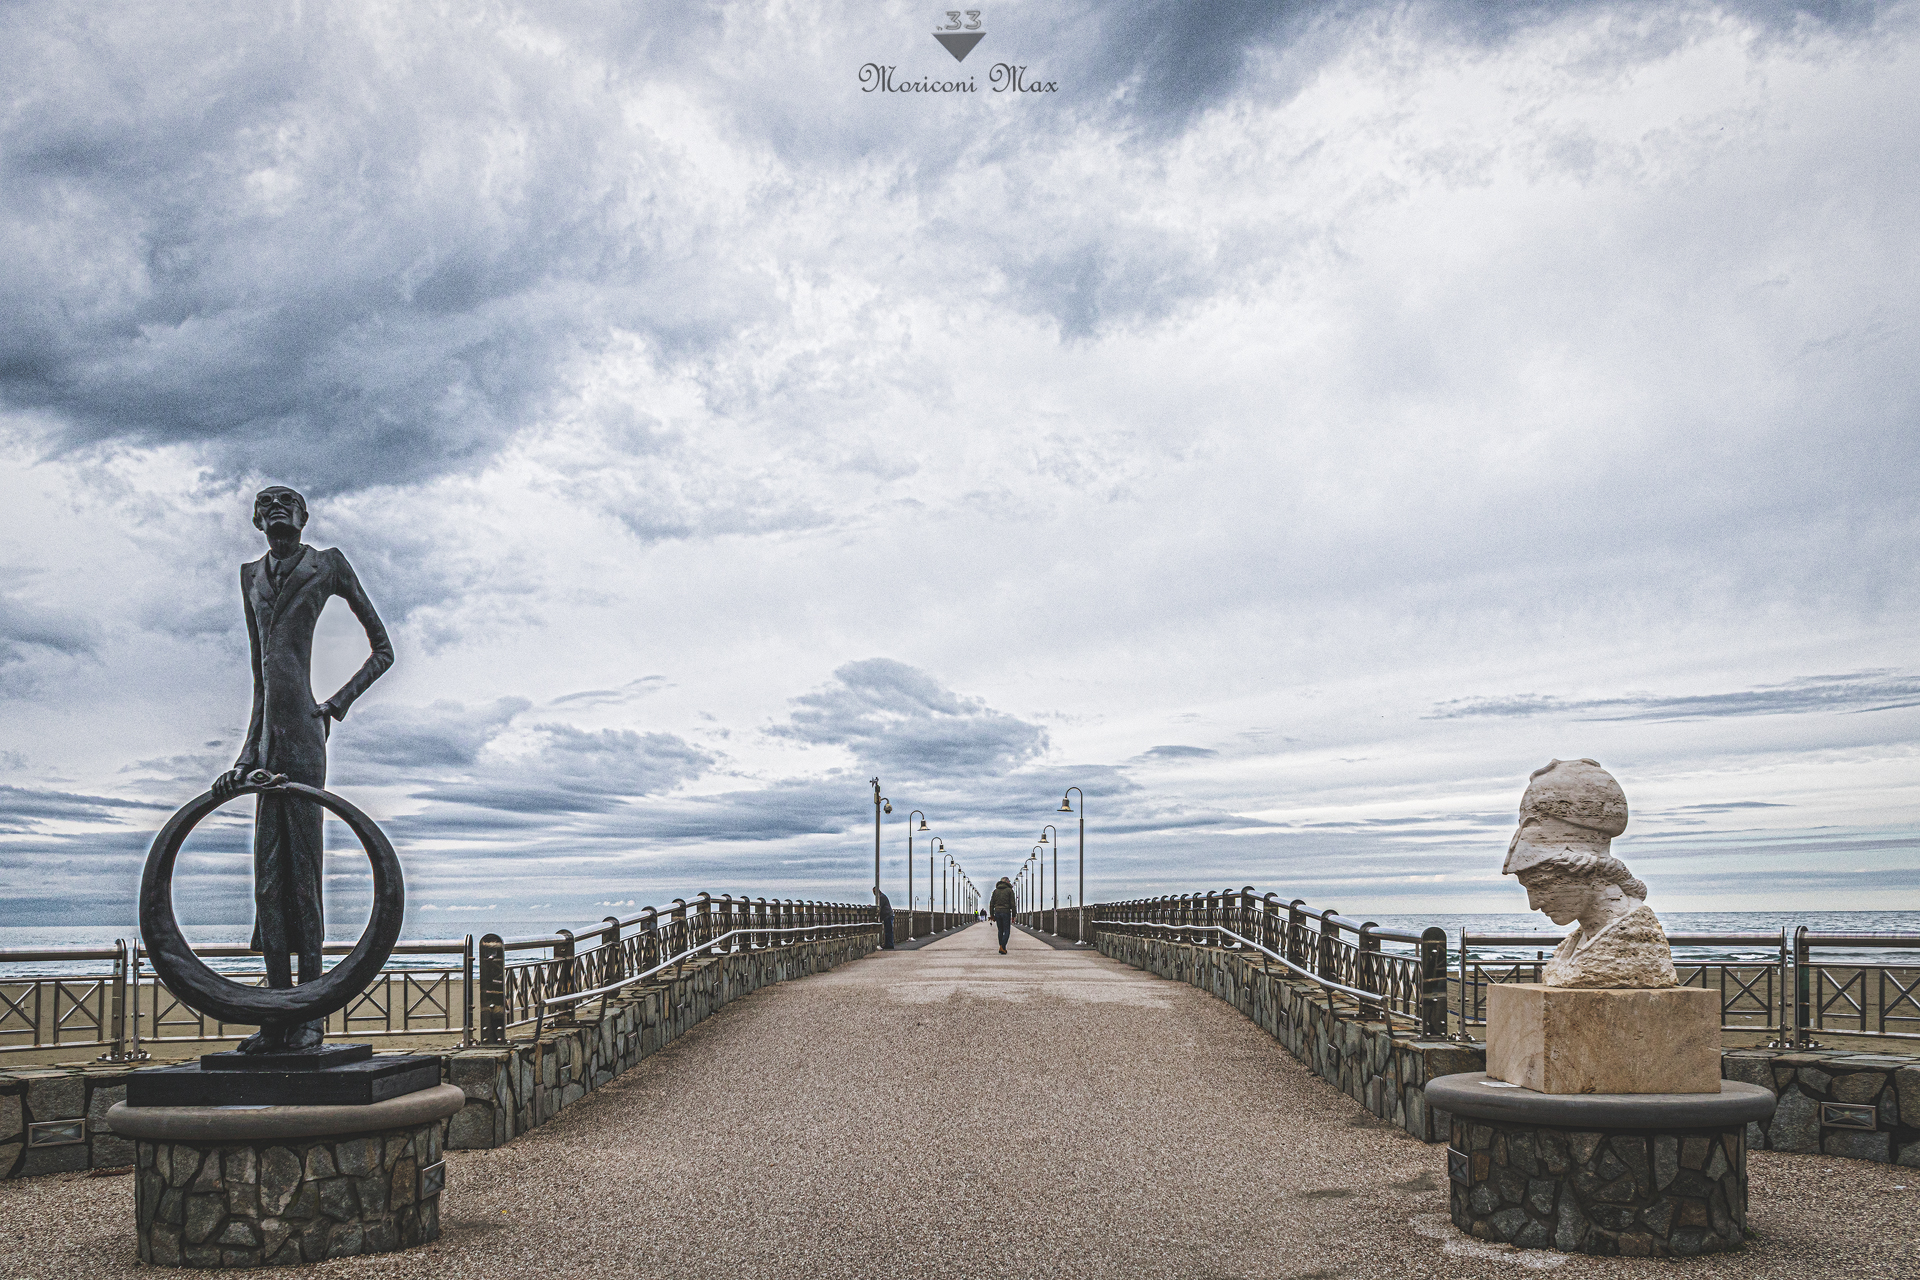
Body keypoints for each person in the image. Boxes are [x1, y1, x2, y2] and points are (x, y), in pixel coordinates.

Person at [210, 487, 394, 1052]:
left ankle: (310, 1010)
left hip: (306, 742)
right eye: (267, 505)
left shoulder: (329, 564)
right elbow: (259, 678)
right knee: (268, 880)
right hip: (266, 745)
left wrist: (333, 706)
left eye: (287, 503)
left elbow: (383, 650)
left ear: (304, 516)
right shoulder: (250, 577)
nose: (277, 511)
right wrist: (246, 754)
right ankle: (276, 1011)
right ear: (255, 519)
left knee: (302, 873)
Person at [989, 876, 1016, 954]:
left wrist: (992, 915)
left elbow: (991, 904)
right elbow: (1013, 904)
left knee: (1000, 930)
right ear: (1007, 882)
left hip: (997, 912)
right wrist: (1014, 915)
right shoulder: (1009, 891)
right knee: (1007, 930)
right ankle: (1002, 946)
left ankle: (1002, 947)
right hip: (1006, 912)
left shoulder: (995, 891)